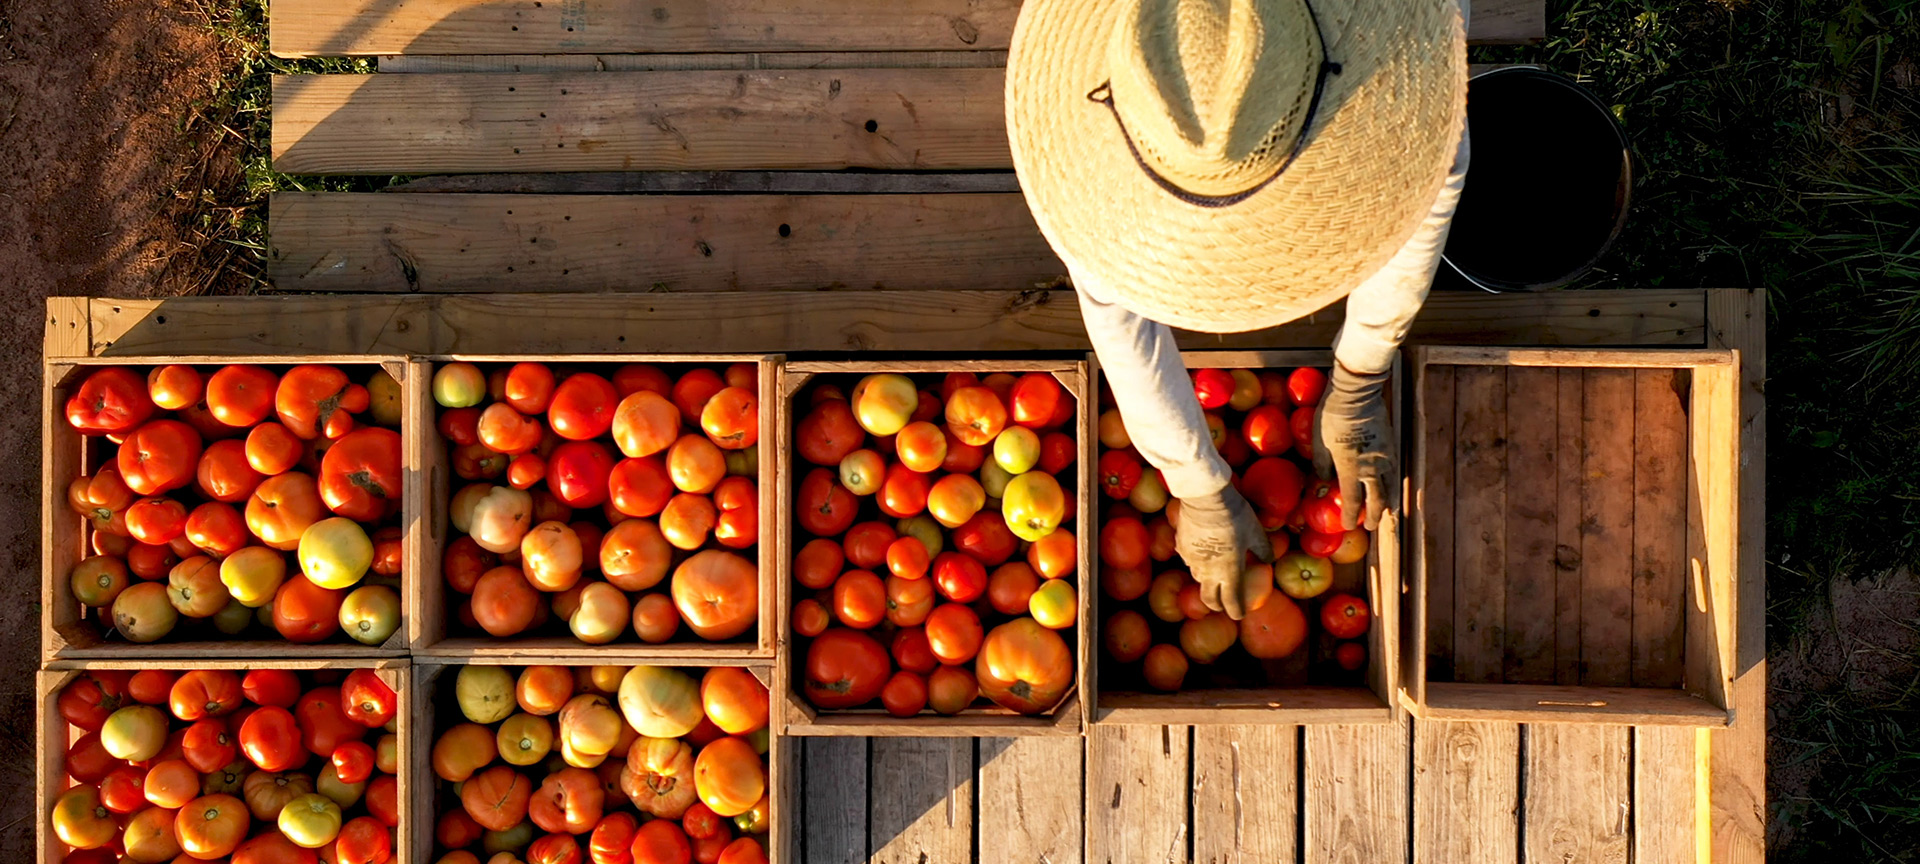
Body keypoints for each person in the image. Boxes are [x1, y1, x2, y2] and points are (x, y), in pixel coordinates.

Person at [1006, 0, 1472, 618]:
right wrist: (1196, 484)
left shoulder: (1408, 99)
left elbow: (1430, 184)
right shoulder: (1120, 139)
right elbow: (1113, 297)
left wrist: (1361, 379)